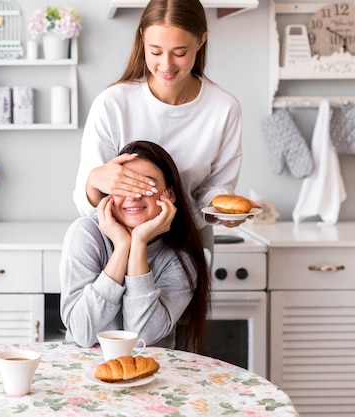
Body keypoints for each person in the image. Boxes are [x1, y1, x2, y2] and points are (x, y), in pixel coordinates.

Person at [73, 0, 248, 257]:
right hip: (118, 247)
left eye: (179, 53)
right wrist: (94, 182)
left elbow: (217, 188)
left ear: (201, 41)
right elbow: (86, 205)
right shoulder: (112, 103)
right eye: (155, 51)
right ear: (142, 38)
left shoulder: (223, 108)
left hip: (186, 247)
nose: (166, 65)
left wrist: (222, 210)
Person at [61, 141, 211, 352]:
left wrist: (138, 244)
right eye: (124, 185)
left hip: (154, 374)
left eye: (146, 186)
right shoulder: (86, 234)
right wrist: (122, 247)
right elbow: (82, 332)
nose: (133, 195)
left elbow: (142, 337)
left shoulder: (179, 257)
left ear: (170, 194)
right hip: (85, 372)